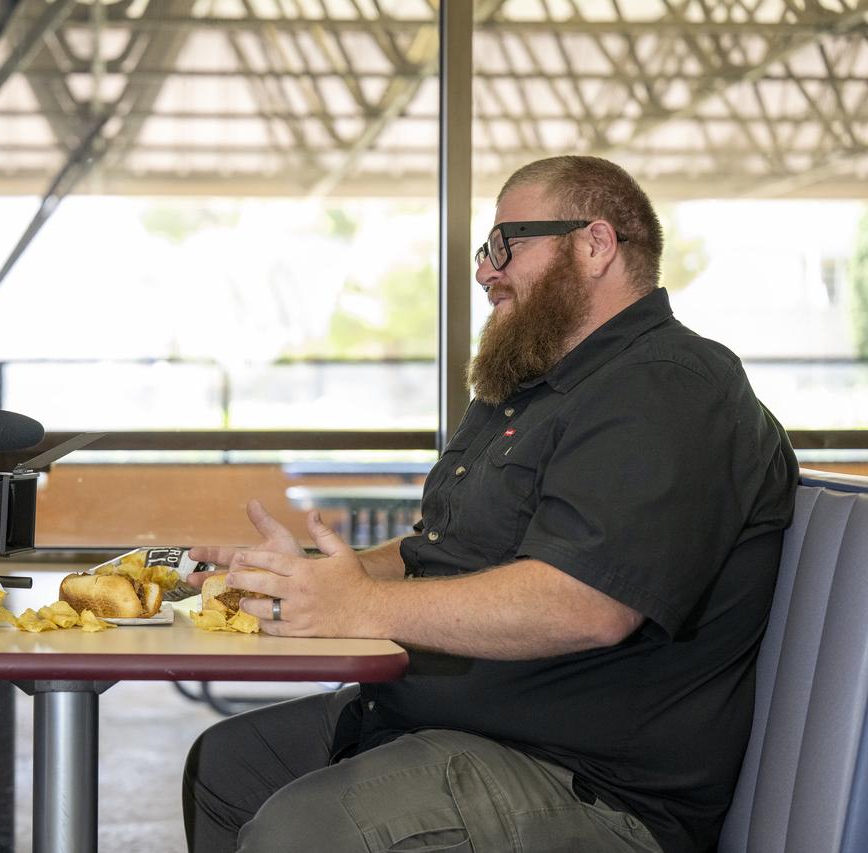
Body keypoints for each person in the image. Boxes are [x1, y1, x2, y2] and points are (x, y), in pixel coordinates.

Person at [182, 155, 798, 853]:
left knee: (304, 830)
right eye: (485, 248)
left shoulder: (671, 384)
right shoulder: (529, 388)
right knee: (228, 766)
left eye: (507, 244)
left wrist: (360, 606)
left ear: (595, 245)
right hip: (454, 728)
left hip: (589, 781)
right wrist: (321, 579)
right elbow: (437, 552)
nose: (484, 270)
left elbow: (585, 603)